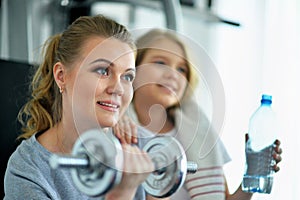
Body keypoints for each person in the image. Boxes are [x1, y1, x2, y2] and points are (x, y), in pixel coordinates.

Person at [113, 29, 282, 200]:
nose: (173, 75)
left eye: (182, 69)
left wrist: (252, 175)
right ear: (133, 68)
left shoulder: (200, 133)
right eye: (160, 63)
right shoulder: (116, 128)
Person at [4, 15, 155, 200]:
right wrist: (122, 193)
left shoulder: (143, 145)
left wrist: (160, 189)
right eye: (102, 71)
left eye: (127, 77)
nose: (118, 89)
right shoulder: (29, 170)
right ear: (61, 76)